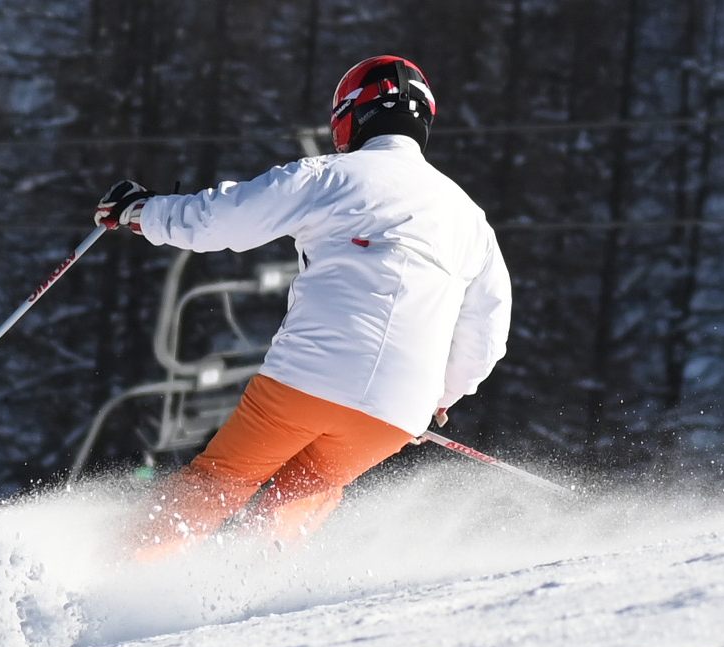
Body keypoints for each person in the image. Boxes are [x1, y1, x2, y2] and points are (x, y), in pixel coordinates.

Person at [95, 55, 511, 559]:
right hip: (398, 408)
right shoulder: (471, 219)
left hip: (311, 375)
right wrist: (442, 395)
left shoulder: (331, 175)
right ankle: (247, 588)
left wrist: (143, 211)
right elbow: (488, 330)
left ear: (352, 117)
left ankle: (112, 575)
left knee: (218, 482)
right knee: (303, 494)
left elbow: (221, 220)